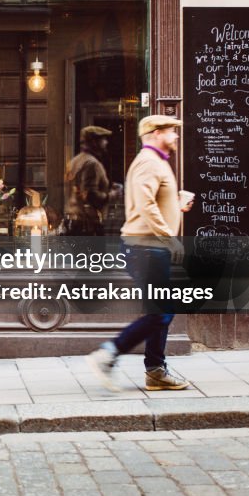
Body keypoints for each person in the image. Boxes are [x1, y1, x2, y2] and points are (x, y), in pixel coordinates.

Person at [86, 114, 194, 391]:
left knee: (159, 310)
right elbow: (145, 206)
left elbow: (152, 202)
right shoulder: (148, 162)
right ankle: (108, 354)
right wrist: (170, 238)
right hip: (146, 248)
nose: (176, 136)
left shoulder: (156, 162)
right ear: (156, 133)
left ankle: (156, 370)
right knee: (161, 312)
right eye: (172, 131)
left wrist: (176, 205)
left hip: (150, 247)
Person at [63, 126, 120, 236]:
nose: (106, 143)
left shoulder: (75, 161)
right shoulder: (92, 163)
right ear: (94, 142)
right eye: (103, 139)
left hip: (74, 220)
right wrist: (112, 195)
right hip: (87, 224)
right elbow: (90, 195)